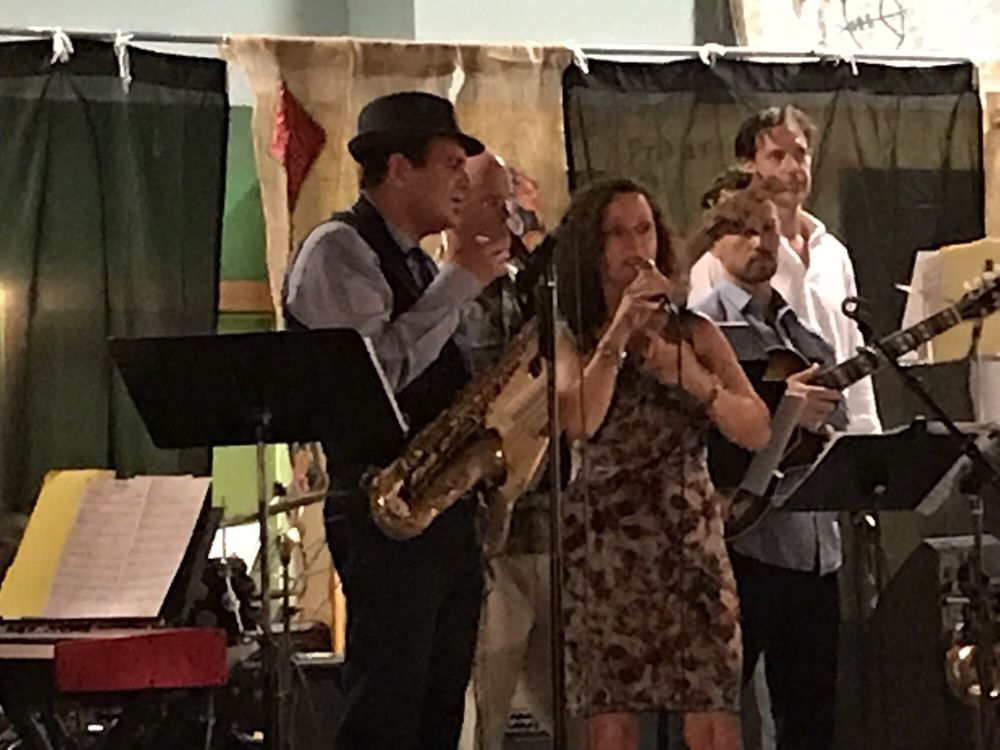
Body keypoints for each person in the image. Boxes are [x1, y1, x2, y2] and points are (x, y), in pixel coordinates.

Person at [282, 91, 509, 750]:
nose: (462, 182)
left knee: (438, 711)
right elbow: (371, 375)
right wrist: (459, 281)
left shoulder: (421, 263)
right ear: (400, 168)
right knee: (386, 709)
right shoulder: (338, 249)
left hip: (442, 511)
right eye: (449, 164)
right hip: (383, 508)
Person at [554, 177, 772, 750]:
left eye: (644, 230)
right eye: (617, 233)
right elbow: (580, 419)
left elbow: (756, 428)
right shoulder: (569, 337)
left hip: (689, 547)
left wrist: (694, 378)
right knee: (612, 724)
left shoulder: (693, 333)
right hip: (606, 552)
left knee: (712, 721)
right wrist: (620, 330)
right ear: (592, 247)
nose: (636, 246)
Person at [690, 183, 849, 750]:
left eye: (769, 230)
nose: (760, 243)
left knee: (811, 718)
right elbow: (705, 436)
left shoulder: (799, 328)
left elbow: (839, 413)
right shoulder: (702, 329)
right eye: (744, 230)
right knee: (723, 714)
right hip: (745, 544)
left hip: (814, 544)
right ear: (715, 242)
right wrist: (784, 411)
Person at [444, 152, 565, 750]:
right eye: (493, 202)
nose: (508, 215)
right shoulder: (438, 292)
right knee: (479, 720)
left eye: (510, 202)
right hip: (484, 534)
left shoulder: (531, 284)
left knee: (573, 713)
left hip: (551, 526)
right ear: (456, 205)